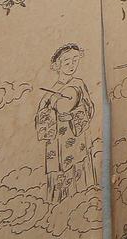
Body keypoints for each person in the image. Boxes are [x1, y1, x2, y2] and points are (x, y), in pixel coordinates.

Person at [36, 44, 96, 203]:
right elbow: (41, 117)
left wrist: (72, 116)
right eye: (67, 61)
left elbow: (89, 108)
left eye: (75, 60)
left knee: (78, 169)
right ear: (57, 65)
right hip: (57, 142)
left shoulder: (79, 84)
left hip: (76, 137)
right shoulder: (51, 91)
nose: (71, 65)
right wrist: (52, 108)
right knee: (59, 173)